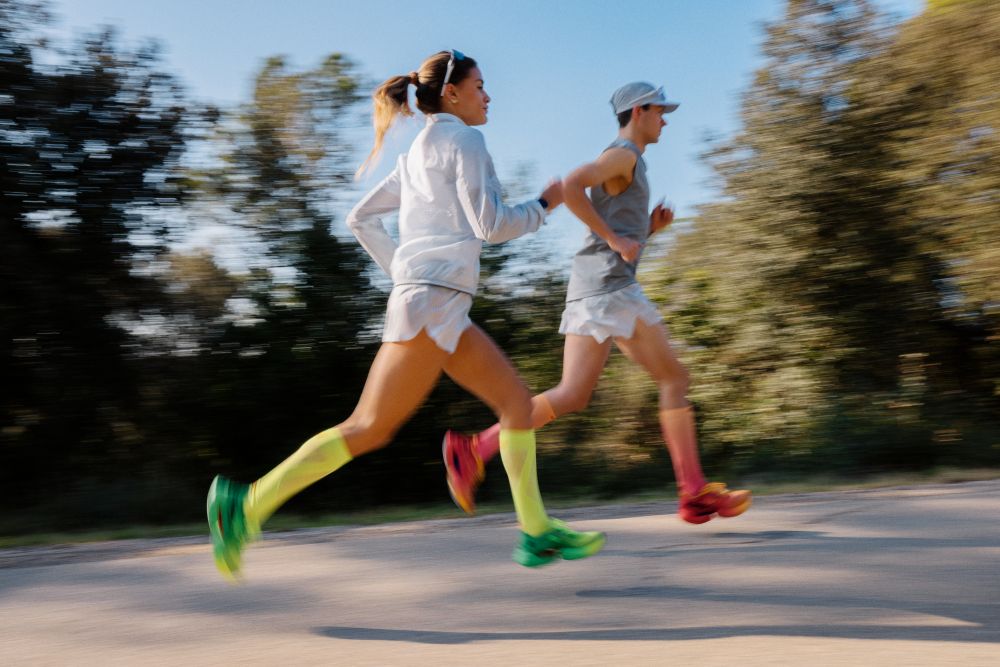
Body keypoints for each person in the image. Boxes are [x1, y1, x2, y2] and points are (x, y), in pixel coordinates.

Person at [207, 50, 606, 579]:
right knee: (368, 427)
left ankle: (535, 532)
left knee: (514, 403)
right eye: (481, 85)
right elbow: (489, 225)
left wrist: (406, 273)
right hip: (432, 303)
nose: (489, 96)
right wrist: (544, 204)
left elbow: (360, 218)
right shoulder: (465, 140)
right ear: (453, 93)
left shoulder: (417, 150)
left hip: (438, 303)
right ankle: (247, 504)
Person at [443, 82, 751, 524]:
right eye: (661, 111)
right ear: (639, 110)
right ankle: (693, 492)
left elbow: (618, 234)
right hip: (610, 290)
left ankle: (475, 449)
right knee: (674, 378)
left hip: (597, 287)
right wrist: (616, 238)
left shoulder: (630, 161)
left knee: (572, 395)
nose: (665, 119)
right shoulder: (622, 154)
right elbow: (570, 186)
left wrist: (646, 230)